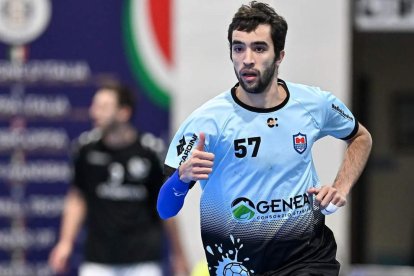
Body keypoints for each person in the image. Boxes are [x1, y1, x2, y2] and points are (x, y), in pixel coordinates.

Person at [157, 1, 372, 275]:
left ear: (279, 55)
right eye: (238, 48)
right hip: (238, 264)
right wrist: (182, 178)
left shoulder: (313, 103)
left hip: (307, 258)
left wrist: (341, 187)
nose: (247, 58)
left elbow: (361, 137)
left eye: (259, 48)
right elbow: (164, 209)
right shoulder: (205, 122)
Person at [49, 83, 188, 276]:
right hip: (97, 261)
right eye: (94, 106)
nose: (94, 112)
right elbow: (77, 198)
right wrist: (65, 242)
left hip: (143, 262)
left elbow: (165, 206)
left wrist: (178, 255)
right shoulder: (86, 148)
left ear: (124, 112)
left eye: (103, 107)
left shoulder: (150, 151)